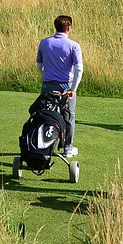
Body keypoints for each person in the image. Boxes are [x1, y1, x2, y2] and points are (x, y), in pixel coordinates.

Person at [37, 15, 84, 157]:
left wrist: (46, 76)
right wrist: (73, 89)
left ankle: (44, 144)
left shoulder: (44, 43)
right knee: (68, 116)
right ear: (68, 28)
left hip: (47, 85)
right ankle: (68, 147)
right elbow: (79, 69)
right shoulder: (73, 45)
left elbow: (39, 66)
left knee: (46, 114)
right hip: (66, 86)